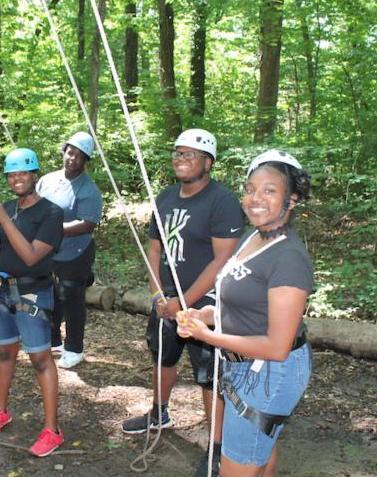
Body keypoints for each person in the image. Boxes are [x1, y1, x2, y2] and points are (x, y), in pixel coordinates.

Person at [176, 150, 313, 477]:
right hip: (245, 367)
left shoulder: (289, 258)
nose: (255, 198)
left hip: (270, 373)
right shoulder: (253, 237)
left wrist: (207, 336)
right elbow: (243, 306)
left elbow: (276, 347)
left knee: (238, 464)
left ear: (291, 199)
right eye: (250, 189)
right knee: (260, 451)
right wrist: (205, 315)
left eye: (269, 190)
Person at [121, 129, 244, 477]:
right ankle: (159, 412)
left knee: (209, 375)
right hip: (166, 301)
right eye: (178, 153)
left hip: (204, 304)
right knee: (162, 355)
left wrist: (184, 302)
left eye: (190, 154)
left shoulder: (222, 201)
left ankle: (217, 447)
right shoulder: (165, 197)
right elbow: (155, 249)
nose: (181, 159)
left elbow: (222, 259)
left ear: (208, 162)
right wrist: (158, 295)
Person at [0, 148, 65, 457]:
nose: (17, 179)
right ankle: (0, 411)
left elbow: (31, 256)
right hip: (2, 289)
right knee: (5, 352)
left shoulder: (51, 213)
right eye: (12, 175)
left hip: (32, 292)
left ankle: (52, 429)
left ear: (34, 175)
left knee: (40, 359)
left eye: (23, 173)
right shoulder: (6, 208)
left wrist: (4, 220)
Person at [36, 132, 102, 369]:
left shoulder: (88, 190)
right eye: (70, 152)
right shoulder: (47, 180)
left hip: (75, 253)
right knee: (49, 296)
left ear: (85, 160)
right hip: (47, 251)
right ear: (64, 152)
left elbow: (87, 224)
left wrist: (53, 229)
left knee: (72, 300)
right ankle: (53, 340)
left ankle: (74, 348)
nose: (73, 158)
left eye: (79, 156)